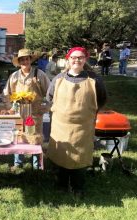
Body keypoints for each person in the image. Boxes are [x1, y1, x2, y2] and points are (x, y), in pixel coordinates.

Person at [47, 47, 107, 198]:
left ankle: (77, 187)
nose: (77, 60)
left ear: (85, 59)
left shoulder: (94, 80)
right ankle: (61, 184)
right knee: (61, 155)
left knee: (79, 157)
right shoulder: (58, 79)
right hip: (60, 126)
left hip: (83, 127)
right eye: (73, 57)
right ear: (68, 59)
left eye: (80, 57)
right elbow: (49, 98)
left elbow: (102, 99)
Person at [2, 48, 50, 170]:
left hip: (35, 113)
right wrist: (10, 108)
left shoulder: (39, 74)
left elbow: (50, 93)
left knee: (36, 138)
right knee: (18, 137)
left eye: (27, 59)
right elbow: (6, 94)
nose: (25, 61)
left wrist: (45, 108)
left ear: (30, 60)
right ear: (19, 62)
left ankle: (37, 164)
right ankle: (18, 163)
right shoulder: (14, 76)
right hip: (18, 113)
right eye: (22, 60)